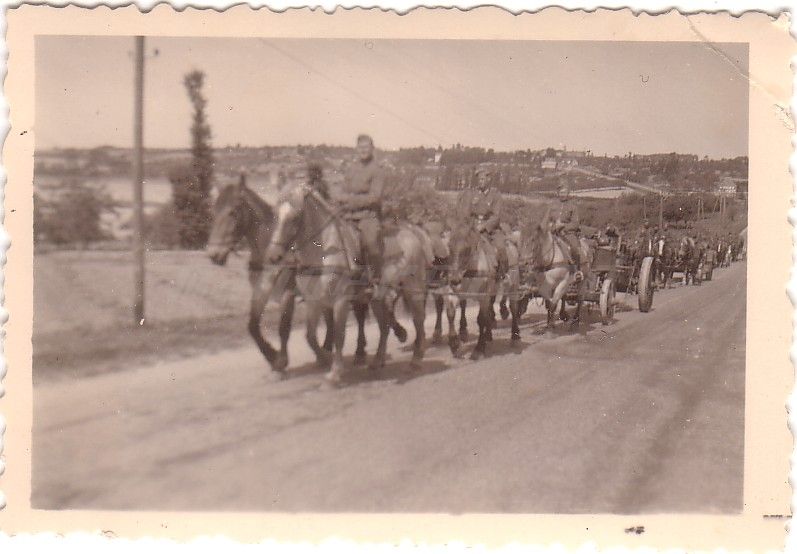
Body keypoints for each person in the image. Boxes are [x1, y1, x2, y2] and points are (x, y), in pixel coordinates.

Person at [335, 134, 385, 286]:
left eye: (366, 147)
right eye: (360, 147)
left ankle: (376, 281)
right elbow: (341, 191)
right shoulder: (351, 169)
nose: (363, 150)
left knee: (371, 245)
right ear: (356, 149)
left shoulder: (377, 170)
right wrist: (341, 200)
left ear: (372, 149)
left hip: (367, 217)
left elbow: (375, 197)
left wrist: (351, 201)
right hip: (347, 216)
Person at [459, 164, 507, 277]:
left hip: (491, 231)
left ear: (488, 179)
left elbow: (496, 216)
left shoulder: (495, 195)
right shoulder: (471, 194)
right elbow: (465, 213)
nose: (480, 181)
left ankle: (502, 276)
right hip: (472, 228)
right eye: (479, 179)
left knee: (501, 248)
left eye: (482, 179)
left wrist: (484, 226)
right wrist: (470, 226)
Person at [551, 174, 583, 277]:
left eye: (565, 192)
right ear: (558, 193)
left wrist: (563, 226)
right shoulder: (553, 205)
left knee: (575, 249)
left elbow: (575, 224)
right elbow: (547, 220)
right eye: (561, 192)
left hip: (568, 234)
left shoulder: (573, 207)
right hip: (553, 233)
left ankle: (577, 271)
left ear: (568, 193)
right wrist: (551, 226)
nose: (562, 194)